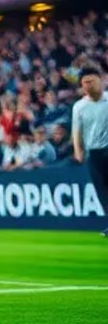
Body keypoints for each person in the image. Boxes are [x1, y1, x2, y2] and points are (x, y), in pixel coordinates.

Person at [70, 58, 107, 237]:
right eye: (84, 83)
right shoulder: (79, 107)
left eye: (91, 81)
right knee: (102, 190)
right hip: (94, 152)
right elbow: (76, 131)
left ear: (101, 80)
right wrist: (79, 151)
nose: (87, 86)